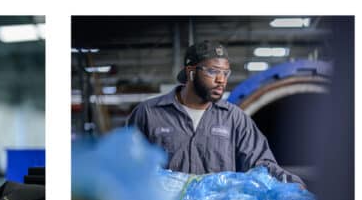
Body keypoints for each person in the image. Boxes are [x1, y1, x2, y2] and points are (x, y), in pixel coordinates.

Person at [127, 40, 304, 184]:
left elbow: (261, 165)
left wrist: (292, 183)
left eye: (225, 73)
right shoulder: (148, 114)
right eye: (213, 71)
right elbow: (127, 166)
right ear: (190, 72)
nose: (221, 80)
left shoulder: (234, 118)